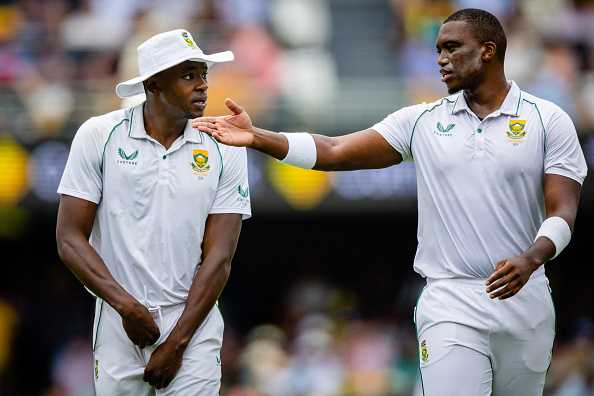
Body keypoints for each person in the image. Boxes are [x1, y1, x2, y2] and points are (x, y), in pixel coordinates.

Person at [192, 8, 588, 396]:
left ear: (488, 50)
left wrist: (531, 259)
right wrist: (258, 136)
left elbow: (563, 211)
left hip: (527, 295)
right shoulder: (423, 121)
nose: (441, 59)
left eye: (452, 47)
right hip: (450, 300)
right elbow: (334, 149)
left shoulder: (548, 119)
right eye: (437, 49)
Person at [56, 29, 251, 395]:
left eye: (204, 74)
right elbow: (68, 239)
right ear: (155, 84)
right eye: (189, 75)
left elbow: (220, 257)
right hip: (118, 320)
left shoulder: (225, 144)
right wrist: (126, 306)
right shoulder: (98, 135)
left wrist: (178, 342)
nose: (203, 86)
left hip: (193, 322)